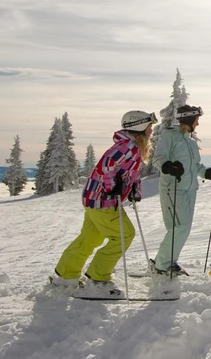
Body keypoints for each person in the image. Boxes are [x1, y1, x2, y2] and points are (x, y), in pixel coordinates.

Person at [51, 110, 156, 295]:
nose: (152, 129)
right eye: (149, 126)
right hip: (102, 200)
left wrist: (134, 191)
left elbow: (133, 174)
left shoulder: (132, 146)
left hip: (94, 197)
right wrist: (111, 187)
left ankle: (66, 276)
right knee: (124, 235)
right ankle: (98, 279)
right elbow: (105, 168)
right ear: (139, 126)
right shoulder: (127, 148)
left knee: (91, 237)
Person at [151, 104, 211, 276]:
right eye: (196, 120)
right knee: (180, 227)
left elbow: (196, 167)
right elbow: (158, 159)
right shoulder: (169, 135)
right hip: (173, 188)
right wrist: (169, 166)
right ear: (188, 119)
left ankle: (167, 261)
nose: (198, 124)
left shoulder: (191, 143)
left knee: (181, 228)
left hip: (190, 189)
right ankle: (162, 265)